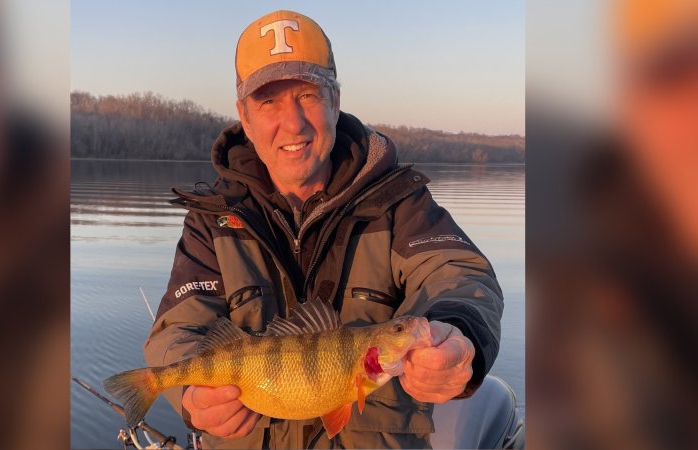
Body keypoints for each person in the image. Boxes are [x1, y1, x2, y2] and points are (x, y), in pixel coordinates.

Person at [144, 10, 503, 449]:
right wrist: (190, 394)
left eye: (308, 95)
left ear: (335, 101)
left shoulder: (397, 203)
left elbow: (460, 274)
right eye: (268, 101)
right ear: (244, 116)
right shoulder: (212, 220)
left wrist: (458, 330)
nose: (292, 123)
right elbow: (178, 329)